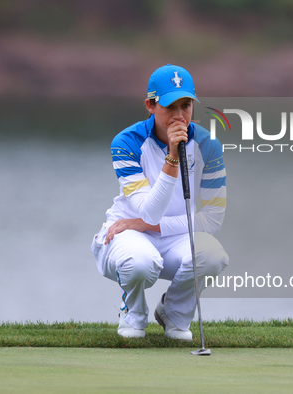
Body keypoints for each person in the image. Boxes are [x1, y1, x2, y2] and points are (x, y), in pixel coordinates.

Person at [91, 64, 228, 340]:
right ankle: (133, 314)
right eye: (169, 106)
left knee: (213, 256)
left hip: (166, 235)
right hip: (123, 237)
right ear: (150, 106)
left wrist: (145, 226)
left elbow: (212, 219)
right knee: (140, 261)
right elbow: (150, 211)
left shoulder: (209, 145)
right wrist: (173, 157)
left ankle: (173, 314)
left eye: (186, 105)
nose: (179, 116)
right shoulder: (126, 142)